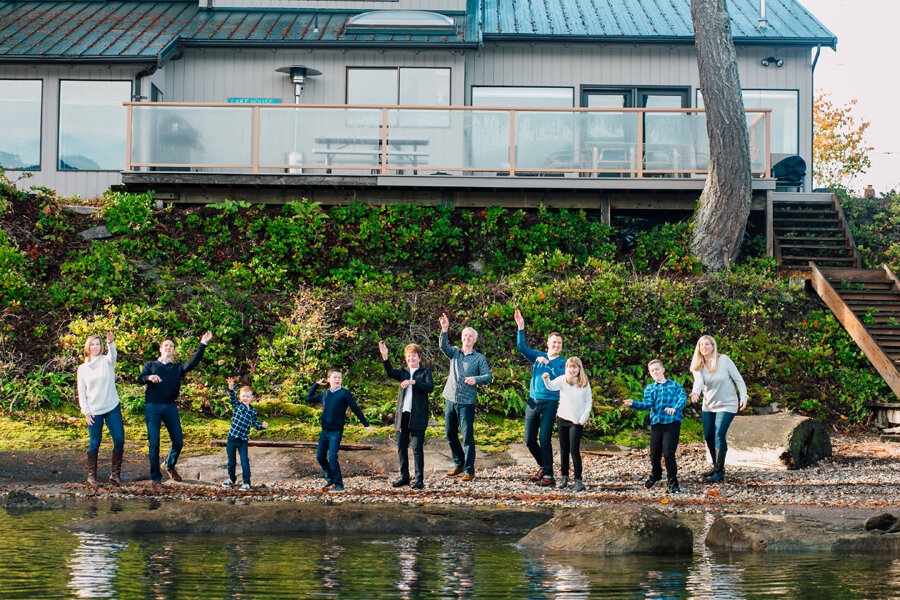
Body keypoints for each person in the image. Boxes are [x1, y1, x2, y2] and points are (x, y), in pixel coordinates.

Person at [137, 330, 213, 484]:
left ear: (174, 351)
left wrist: (203, 344)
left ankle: (169, 465)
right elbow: (140, 379)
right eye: (165, 345)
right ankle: (156, 478)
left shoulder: (177, 368)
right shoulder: (150, 365)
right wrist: (149, 377)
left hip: (170, 406)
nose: (168, 348)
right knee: (154, 443)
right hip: (153, 406)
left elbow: (193, 362)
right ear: (160, 349)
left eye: (171, 346)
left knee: (178, 441)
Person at [514, 309, 566, 487]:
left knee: (544, 438)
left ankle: (549, 476)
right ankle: (543, 466)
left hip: (550, 402)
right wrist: (521, 327)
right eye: (553, 342)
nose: (556, 345)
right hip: (532, 402)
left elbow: (562, 376)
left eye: (559, 343)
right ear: (548, 343)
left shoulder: (563, 362)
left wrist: (549, 364)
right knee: (529, 439)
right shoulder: (538, 356)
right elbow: (521, 348)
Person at [439, 313, 492, 482]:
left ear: (474, 340)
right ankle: (459, 463)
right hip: (450, 399)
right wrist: (444, 329)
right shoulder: (454, 353)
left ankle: (469, 470)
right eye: (465, 336)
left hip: (466, 403)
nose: (467, 338)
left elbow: (488, 376)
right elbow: (442, 346)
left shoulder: (479, 358)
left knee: (467, 437)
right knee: (450, 434)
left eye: (470, 336)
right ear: (461, 338)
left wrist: (476, 379)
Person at [689, 335, 747, 483]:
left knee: (719, 435)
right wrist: (695, 393)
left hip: (727, 404)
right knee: (709, 436)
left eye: (707, 345)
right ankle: (716, 466)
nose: (704, 348)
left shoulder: (724, 360)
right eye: (702, 345)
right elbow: (699, 382)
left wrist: (744, 397)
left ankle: (720, 472)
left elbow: (738, 379)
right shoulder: (698, 364)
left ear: (713, 346)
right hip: (709, 405)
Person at [306, 369, 375, 493]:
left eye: (339, 378)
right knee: (320, 457)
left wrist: (366, 424)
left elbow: (355, 408)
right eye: (335, 377)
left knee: (332, 457)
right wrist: (316, 385)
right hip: (324, 431)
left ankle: (339, 485)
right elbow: (309, 398)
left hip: (336, 432)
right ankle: (330, 478)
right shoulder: (325, 394)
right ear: (328, 380)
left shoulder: (344, 393)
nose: (337, 380)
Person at [623, 359, 687, 494]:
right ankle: (656, 475)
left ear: (663, 370)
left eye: (657, 369)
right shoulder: (650, 388)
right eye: (652, 371)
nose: (655, 372)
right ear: (650, 374)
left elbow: (683, 398)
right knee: (654, 454)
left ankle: (673, 483)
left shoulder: (675, 385)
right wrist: (634, 403)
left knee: (669, 453)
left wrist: (675, 408)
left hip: (672, 422)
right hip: (657, 424)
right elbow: (647, 404)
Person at [379, 340, 434, 490]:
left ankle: (419, 480)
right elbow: (390, 373)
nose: (411, 359)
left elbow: (430, 387)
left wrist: (413, 382)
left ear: (419, 358)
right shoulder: (402, 372)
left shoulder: (425, 372)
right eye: (408, 357)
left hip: (418, 416)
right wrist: (385, 357)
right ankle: (404, 477)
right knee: (401, 448)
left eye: (414, 356)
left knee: (417, 449)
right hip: (402, 415)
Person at [76, 332, 125, 487]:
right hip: (94, 410)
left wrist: (111, 343)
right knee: (95, 442)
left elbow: (113, 355)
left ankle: (115, 475)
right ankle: (92, 477)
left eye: (98, 344)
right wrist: (85, 411)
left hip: (111, 406)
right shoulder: (82, 369)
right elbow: (81, 392)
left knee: (119, 439)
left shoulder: (107, 361)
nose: (95, 347)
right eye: (92, 344)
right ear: (88, 347)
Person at [541, 356, 592, 492]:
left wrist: (582, 420)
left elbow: (588, 404)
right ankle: (564, 477)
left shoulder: (584, 382)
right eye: (569, 367)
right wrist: (546, 378)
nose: (572, 370)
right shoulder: (563, 379)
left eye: (574, 367)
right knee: (564, 450)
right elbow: (551, 386)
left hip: (577, 421)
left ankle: (578, 480)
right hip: (563, 419)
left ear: (579, 369)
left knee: (574, 450)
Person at [223, 377, 268, 491]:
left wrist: (262, 427)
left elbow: (255, 425)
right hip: (232, 438)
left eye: (248, 396)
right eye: (243, 396)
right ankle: (231, 479)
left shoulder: (252, 411)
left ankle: (247, 483)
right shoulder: (237, 405)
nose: (245, 398)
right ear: (240, 397)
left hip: (243, 440)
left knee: (244, 461)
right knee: (231, 461)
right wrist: (231, 387)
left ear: (252, 398)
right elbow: (232, 397)